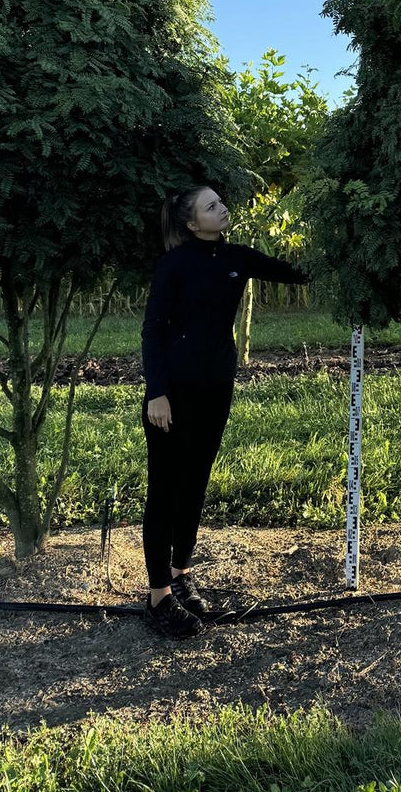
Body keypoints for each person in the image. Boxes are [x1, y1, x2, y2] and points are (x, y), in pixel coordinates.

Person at [140, 185, 308, 638]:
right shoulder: (173, 265)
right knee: (165, 490)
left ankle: (179, 574)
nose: (222, 208)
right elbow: (153, 330)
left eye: (220, 202)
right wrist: (157, 392)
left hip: (216, 391)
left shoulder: (238, 258)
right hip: (172, 396)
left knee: (195, 480)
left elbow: (297, 273)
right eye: (211, 206)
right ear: (192, 223)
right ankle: (157, 596)